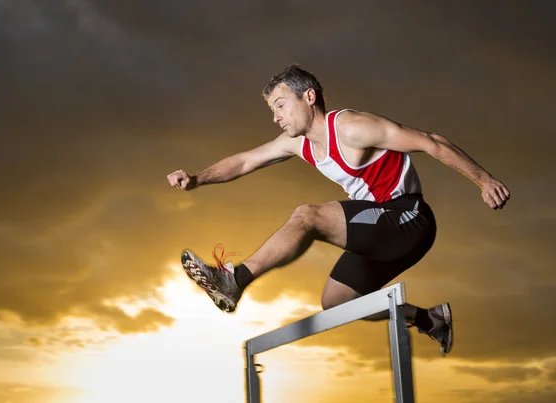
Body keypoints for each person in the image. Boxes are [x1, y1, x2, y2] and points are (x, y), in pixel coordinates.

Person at [166, 65, 510, 356]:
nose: (276, 117)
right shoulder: (298, 144)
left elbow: (431, 141)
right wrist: (198, 179)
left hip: (409, 219)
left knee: (307, 216)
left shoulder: (351, 128)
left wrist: (484, 180)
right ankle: (429, 319)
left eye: (281, 106)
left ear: (309, 97)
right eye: (272, 110)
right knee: (337, 302)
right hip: (377, 229)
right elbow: (244, 161)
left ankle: (234, 280)